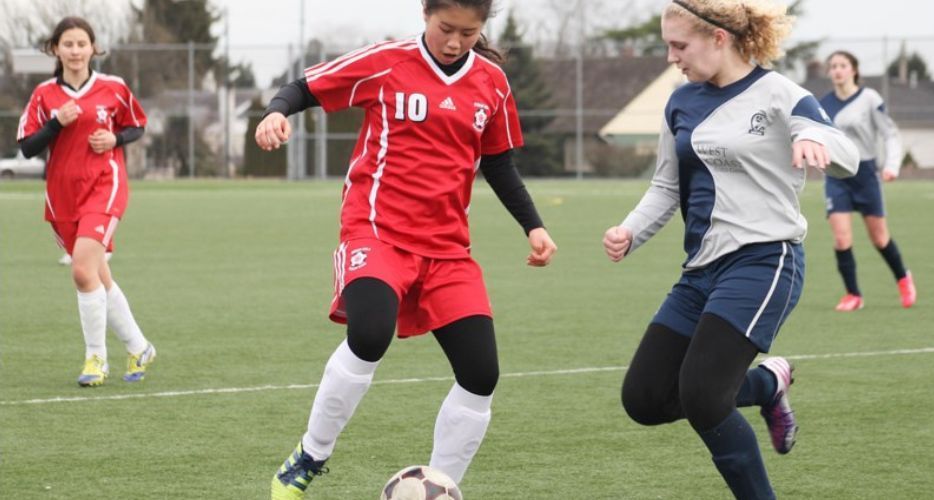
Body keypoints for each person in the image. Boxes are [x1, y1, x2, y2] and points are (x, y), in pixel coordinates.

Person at [255, 1, 557, 498]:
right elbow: (303, 88)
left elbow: (498, 164)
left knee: (481, 375)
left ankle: (440, 487)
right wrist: (274, 114)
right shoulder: (385, 62)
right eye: (446, 29)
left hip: (447, 248)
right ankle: (310, 455)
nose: (456, 41)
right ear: (425, 13)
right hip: (377, 230)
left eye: (468, 32)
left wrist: (534, 226)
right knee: (370, 333)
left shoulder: (492, 83)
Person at [602, 1, 859, 498]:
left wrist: (811, 136)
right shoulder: (680, 102)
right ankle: (766, 385)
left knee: (703, 396)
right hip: (700, 271)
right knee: (645, 399)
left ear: (719, 39)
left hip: (765, 260)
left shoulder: (783, 94)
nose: (671, 57)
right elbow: (665, 186)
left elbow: (845, 152)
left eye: (679, 45)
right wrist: (631, 231)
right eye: (667, 46)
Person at [16, 17, 156, 387]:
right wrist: (55, 123)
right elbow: (28, 147)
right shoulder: (44, 95)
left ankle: (96, 359)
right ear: (55, 49)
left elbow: (137, 124)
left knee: (81, 270)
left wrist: (115, 140)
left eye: (82, 44)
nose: (75, 51)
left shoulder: (113, 87)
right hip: (62, 195)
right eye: (68, 44)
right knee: (95, 273)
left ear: (94, 48)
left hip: (104, 187)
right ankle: (140, 347)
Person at [820, 50, 916, 312]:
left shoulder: (869, 98)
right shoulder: (823, 104)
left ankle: (903, 278)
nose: (837, 70)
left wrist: (892, 165)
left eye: (843, 65)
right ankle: (853, 295)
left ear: (854, 70)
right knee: (841, 238)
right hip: (836, 175)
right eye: (833, 66)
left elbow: (890, 134)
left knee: (880, 238)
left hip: (865, 174)